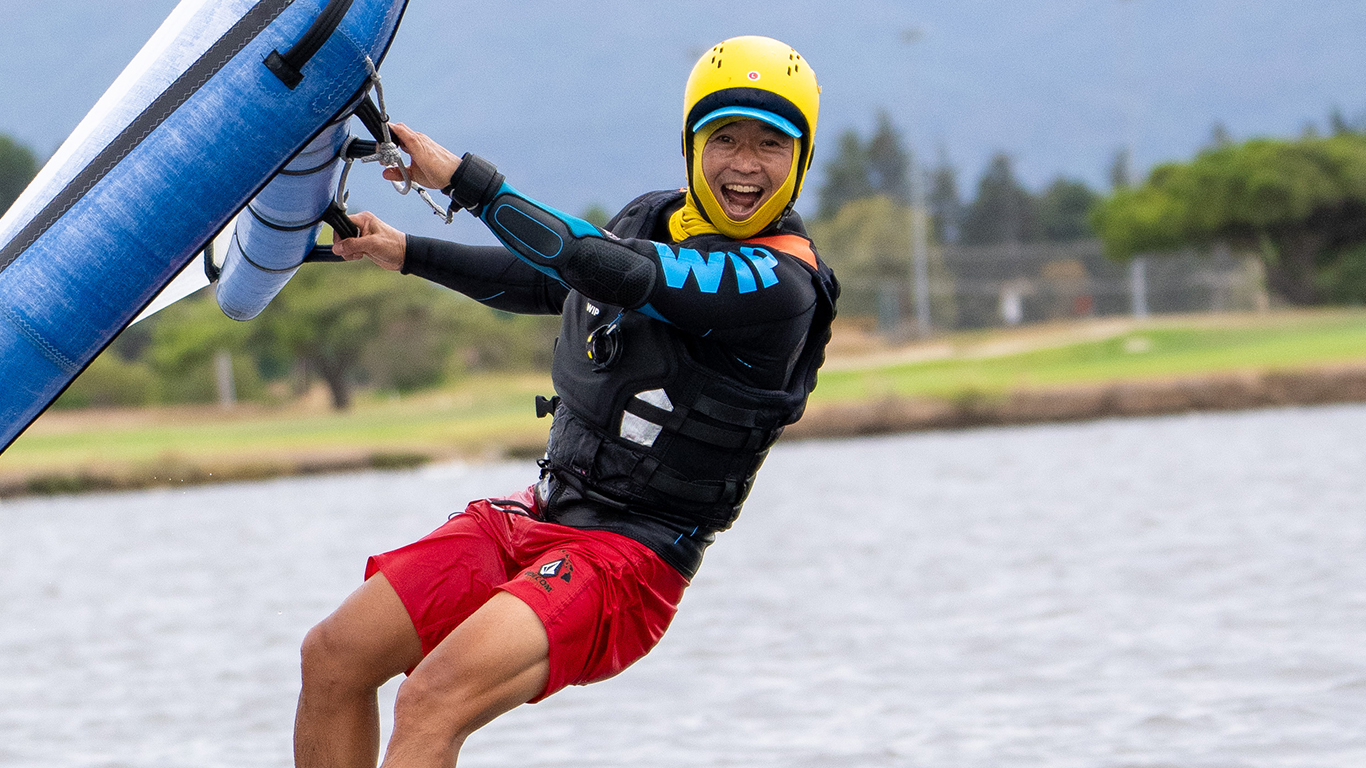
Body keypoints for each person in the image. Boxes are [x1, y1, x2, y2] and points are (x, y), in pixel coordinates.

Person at [294, 35, 838, 767]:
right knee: (334, 656)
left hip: (630, 559)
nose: (745, 164)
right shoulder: (651, 218)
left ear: (800, 160)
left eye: (771, 144)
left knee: (431, 698)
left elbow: (603, 267)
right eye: (726, 138)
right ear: (690, 146)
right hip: (542, 509)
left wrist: (465, 180)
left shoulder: (778, 285)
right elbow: (557, 282)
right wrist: (407, 252)